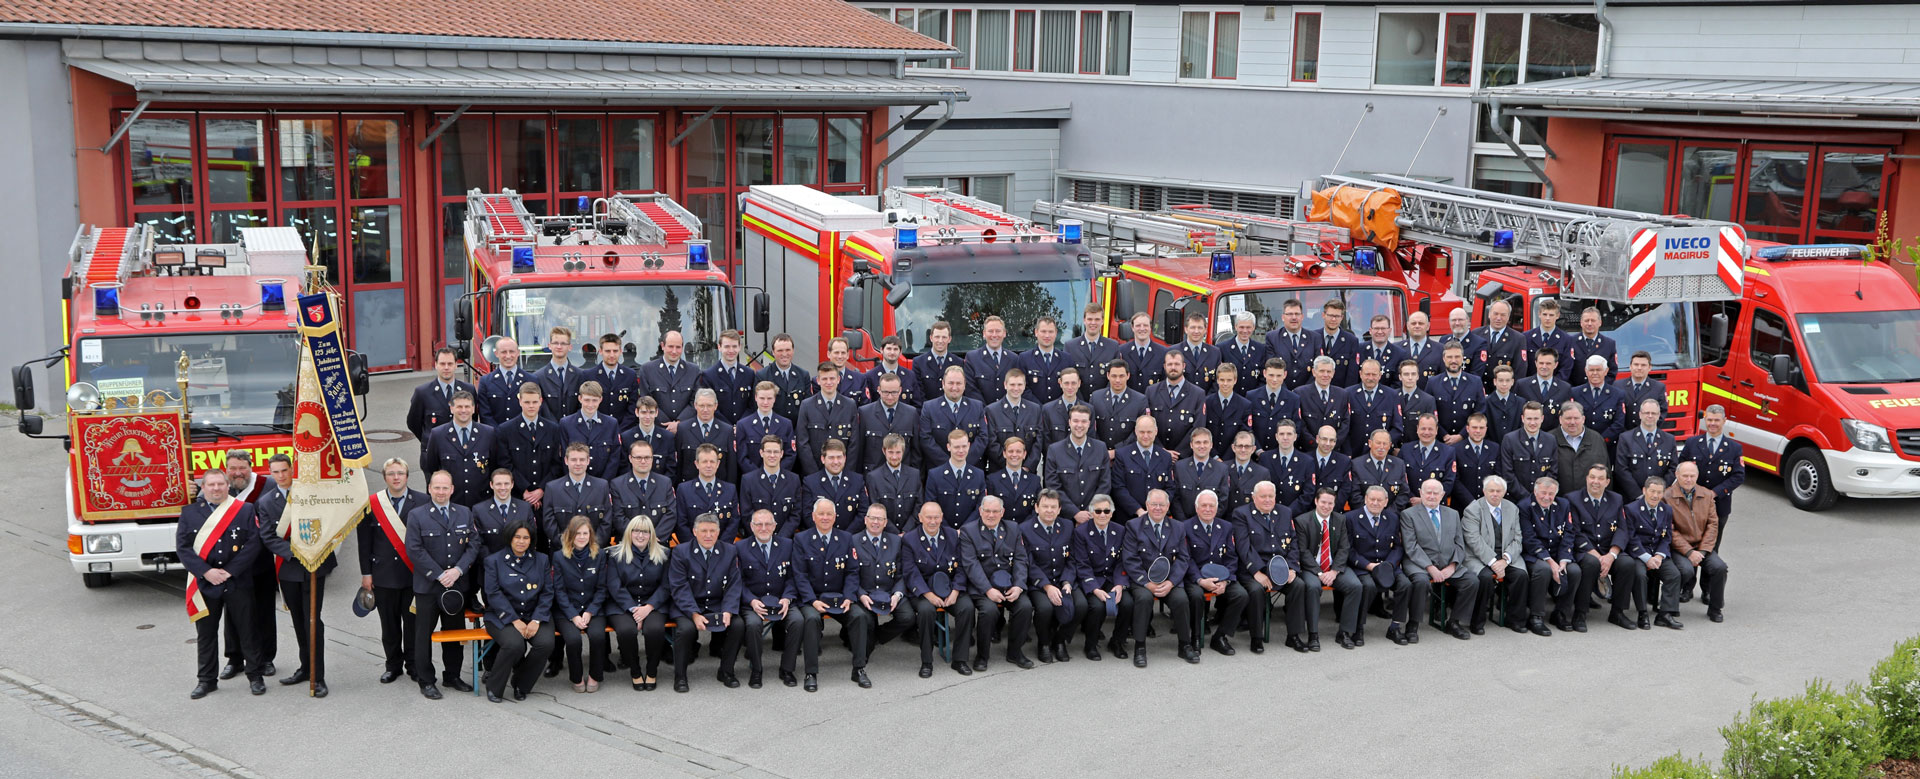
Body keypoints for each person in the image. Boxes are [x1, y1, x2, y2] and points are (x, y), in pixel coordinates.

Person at [179, 468, 263, 699]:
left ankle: (255, 676)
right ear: (203, 488)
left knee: (248, 630)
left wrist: (228, 571)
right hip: (205, 584)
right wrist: (206, 572)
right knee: (206, 634)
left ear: (228, 486)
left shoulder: (244, 510)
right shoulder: (189, 513)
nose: (216, 489)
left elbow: (253, 543)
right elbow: (183, 549)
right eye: (211, 485)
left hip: (237, 580)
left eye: (220, 484)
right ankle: (206, 680)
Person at [256, 454, 333, 696]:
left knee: (313, 620)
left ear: (292, 469)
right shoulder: (266, 501)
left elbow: (327, 522)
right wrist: (295, 552)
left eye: (285, 470)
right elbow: (268, 536)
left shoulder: (310, 492)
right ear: (271, 473)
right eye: (276, 472)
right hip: (289, 567)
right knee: (299, 621)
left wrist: (312, 549)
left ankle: (318, 677)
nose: (281, 475)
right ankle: (305, 667)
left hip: (315, 565)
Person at [406, 471, 481, 700]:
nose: (440, 492)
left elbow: (473, 544)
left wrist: (457, 570)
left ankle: (452, 676)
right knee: (423, 635)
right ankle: (426, 680)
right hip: (429, 586)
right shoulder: (417, 515)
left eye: (445, 488)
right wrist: (439, 575)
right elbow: (414, 549)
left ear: (452, 489)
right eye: (436, 488)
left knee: (454, 633)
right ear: (429, 489)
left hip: (456, 585)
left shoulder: (464, 513)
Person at [793, 498, 871, 691]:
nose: (825, 517)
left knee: (860, 616)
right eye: (821, 514)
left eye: (829, 514)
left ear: (835, 517)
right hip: (813, 598)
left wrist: (849, 597)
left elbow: (852, 572)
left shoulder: (846, 538)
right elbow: (799, 575)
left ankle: (859, 668)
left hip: (840, 597)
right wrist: (812, 600)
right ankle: (811, 672)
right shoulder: (802, 539)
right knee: (811, 620)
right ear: (813, 516)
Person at [359, 458, 422, 686]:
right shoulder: (372, 503)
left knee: (412, 624)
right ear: (384, 477)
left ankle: (414, 665)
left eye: (400, 473)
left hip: (413, 575)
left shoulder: (422, 501)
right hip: (383, 575)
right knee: (389, 625)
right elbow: (364, 542)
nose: (396, 477)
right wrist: (366, 573)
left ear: (407, 476)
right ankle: (393, 666)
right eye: (391, 473)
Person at [216, 451, 277, 682]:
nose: (238, 473)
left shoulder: (267, 484)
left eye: (242, 467)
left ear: (251, 467)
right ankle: (235, 659)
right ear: (226, 469)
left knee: (264, 610)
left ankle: (266, 658)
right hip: (231, 565)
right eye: (233, 468)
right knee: (233, 613)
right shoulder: (220, 488)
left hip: (261, 561)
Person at [669, 514, 745, 692]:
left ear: (718, 532)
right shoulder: (681, 551)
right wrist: (694, 614)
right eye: (704, 531)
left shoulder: (729, 550)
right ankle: (680, 676)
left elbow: (734, 583)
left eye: (712, 531)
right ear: (695, 532)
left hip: (717, 603)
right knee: (686, 629)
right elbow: (679, 587)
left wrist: (728, 610)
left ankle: (726, 671)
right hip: (688, 605)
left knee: (738, 624)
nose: (708, 535)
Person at [479, 521, 554, 703]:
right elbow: (493, 593)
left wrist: (536, 619)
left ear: (531, 540)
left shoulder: (541, 559)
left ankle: (521, 683)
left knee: (545, 643)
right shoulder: (493, 561)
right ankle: (495, 687)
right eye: (517, 537)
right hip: (501, 615)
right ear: (509, 538)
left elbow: (547, 592)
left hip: (534, 614)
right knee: (514, 644)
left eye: (526, 537)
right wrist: (514, 620)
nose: (521, 541)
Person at [959, 496, 1036, 670]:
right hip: (982, 587)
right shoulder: (968, 531)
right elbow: (971, 565)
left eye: (995, 511)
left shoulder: (1013, 528)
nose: (991, 515)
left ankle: (1015, 652)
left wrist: (1018, 585)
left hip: (1009, 585)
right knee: (989, 611)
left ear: (1002, 513)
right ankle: (982, 656)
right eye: (987, 511)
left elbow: (1020, 559)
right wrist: (987, 589)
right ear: (980, 511)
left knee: (1025, 607)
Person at [1399, 479, 1478, 643]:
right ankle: (1413, 624)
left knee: (1472, 581)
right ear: (1420, 493)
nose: (1432, 496)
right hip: (1419, 563)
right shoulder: (1408, 514)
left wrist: (1452, 565)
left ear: (1443, 495)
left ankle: (1454, 622)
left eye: (1436, 493)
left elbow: (1459, 544)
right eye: (1428, 492)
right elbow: (1411, 546)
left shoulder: (1453, 514)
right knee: (1421, 582)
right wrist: (1430, 568)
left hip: (1448, 562)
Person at [1122, 490, 1195, 666]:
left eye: (1162, 505)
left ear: (1168, 506)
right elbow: (1130, 559)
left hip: (1169, 579)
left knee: (1181, 599)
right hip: (1143, 579)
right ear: (1147, 505)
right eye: (1154, 504)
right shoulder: (1133, 526)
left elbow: (1184, 558)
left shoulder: (1178, 527)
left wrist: (1171, 582)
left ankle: (1185, 644)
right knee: (1144, 599)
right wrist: (1147, 583)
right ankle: (1140, 647)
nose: (1157, 508)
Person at [904, 501, 977, 676]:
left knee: (967, 608)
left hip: (950, 588)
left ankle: (960, 660)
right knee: (926, 612)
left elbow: (962, 567)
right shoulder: (910, 539)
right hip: (923, 591)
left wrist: (956, 591)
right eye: (928, 517)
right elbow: (910, 572)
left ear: (942, 517)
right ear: (920, 518)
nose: (932, 521)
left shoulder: (953, 535)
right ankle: (926, 662)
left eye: (936, 517)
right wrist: (928, 595)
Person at [735, 510, 803, 688]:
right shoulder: (740, 547)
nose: (763, 528)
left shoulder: (788, 545)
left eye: (767, 524)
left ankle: (787, 669)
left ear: (774, 526)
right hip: (753, 602)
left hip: (782, 599)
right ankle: (756, 670)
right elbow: (737, 581)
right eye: (758, 524)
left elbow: (794, 576)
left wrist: (787, 598)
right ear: (751, 526)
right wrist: (751, 600)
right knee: (752, 625)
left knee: (797, 620)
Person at [603, 515, 671, 690]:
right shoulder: (615, 554)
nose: (640, 535)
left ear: (651, 534)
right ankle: (635, 671)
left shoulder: (664, 554)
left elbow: (666, 586)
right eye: (636, 531)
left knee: (654, 629)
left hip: (653, 603)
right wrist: (635, 610)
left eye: (645, 532)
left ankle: (651, 671)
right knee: (626, 630)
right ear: (629, 533)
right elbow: (614, 586)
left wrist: (647, 608)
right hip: (622, 604)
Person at [1289, 486, 1360, 650]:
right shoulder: (1302, 521)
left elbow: (1344, 548)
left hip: (1334, 568)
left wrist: (1334, 571)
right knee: (1313, 587)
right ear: (1316, 501)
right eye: (1323, 502)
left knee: (1355, 586)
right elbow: (1303, 551)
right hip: (1312, 568)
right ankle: (1313, 635)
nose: (1326, 506)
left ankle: (1344, 633)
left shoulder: (1340, 520)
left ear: (1334, 504)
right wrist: (1320, 573)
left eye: (1330, 503)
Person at [1567, 464, 1635, 632]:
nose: (1595, 482)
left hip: (1609, 549)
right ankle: (1580, 613)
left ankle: (1617, 612)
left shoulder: (1616, 499)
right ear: (1586, 479)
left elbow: (1622, 528)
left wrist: (1612, 555)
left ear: (1607, 482)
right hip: (1585, 550)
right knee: (1591, 564)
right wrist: (1597, 556)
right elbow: (1575, 531)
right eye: (1592, 477)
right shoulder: (1572, 499)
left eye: (1600, 478)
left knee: (1627, 564)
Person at [1461, 475, 1529, 636]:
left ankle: (1515, 619)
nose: (1495, 494)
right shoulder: (1472, 510)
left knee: (1521, 575)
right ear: (1484, 491)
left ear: (1504, 492)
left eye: (1498, 491)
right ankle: (1476, 621)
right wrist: (1493, 562)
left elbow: (1518, 538)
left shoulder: (1512, 508)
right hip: (1479, 557)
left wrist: (1505, 560)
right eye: (1491, 490)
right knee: (1484, 578)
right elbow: (1473, 541)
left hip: (1506, 557)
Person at [851, 505, 918, 669]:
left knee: (908, 617)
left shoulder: (896, 541)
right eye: (872, 518)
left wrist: (897, 595)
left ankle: (878, 636)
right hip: (865, 593)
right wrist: (860, 594)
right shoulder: (853, 540)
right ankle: (863, 655)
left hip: (889, 591)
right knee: (865, 620)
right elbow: (850, 574)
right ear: (865, 520)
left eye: (880, 519)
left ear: (885, 522)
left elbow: (901, 573)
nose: (875, 522)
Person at [1183, 491, 1248, 656]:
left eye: (1211, 506)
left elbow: (1232, 557)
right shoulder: (1185, 527)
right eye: (1203, 505)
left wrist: (1226, 581)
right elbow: (1186, 559)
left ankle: (1220, 636)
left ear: (1217, 508)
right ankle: (1196, 637)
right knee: (1196, 596)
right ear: (1196, 508)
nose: (1207, 509)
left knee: (1241, 595)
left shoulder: (1226, 527)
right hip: (1195, 578)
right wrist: (1199, 580)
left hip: (1221, 577)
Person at [1023, 492, 1084, 664]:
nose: (1049, 510)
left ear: (1059, 510)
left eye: (1053, 507)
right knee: (1044, 608)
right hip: (1040, 583)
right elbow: (1029, 564)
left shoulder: (1067, 526)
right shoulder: (1025, 529)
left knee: (1081, 605)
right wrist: (1047, 586)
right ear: (1036, 508)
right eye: (1045, 506)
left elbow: (1072, 558)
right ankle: (1043, 643)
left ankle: (1059, 640)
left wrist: (1067, 581)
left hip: (1064, 579)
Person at [1666, 462, 1729, 623]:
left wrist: (1702, 552)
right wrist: (1688, 552)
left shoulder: (1706, 494)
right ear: (1677, 476)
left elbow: (1713, 525)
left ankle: (1715, 608)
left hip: (1702, 547)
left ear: (1697, 476)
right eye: (1685, 476)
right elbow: (1669, 530)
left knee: (1720, 568)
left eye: (1692, 476)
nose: (1688, 479)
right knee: (1685, 570)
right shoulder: (1666, 497)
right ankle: (1670, 608)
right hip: (1680, 549)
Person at [549, 515, 607, 694]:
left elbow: (602, 588)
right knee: (573, 640)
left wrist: (590, 612)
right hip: (567, 610)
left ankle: (595, 675)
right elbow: (559, 590)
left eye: (585, 533)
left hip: (593, 607)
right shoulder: (559, 557)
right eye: (578, 533)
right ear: (570, 535)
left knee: (597, 636)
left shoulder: (599, 554)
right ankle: (576, 677)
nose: (582, 537)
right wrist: (573, 615)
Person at [1517, 477, 1581, 635]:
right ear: (1535, 491)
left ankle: (1560, 613)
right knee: (1543, 570)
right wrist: (1552, 563)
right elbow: (1529, 539)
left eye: (1551, 494)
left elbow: (1569, 533)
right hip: (1534, 554)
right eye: (1543, 493)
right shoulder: (1525, 506)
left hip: (1558, 553)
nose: (1547, 497)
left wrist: (1563, 561)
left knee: (1574, 571)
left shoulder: (1563, 504)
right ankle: (1535, 616)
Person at [1346, 485, 1409, 646]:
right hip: (1362, 566)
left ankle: (1395, 627)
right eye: (1372, 499)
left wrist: (1388, 565)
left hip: (1387, 565)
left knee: (1405, 585)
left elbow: (1397, 546)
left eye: (1379, 500)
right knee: (1368, 586)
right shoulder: (1351, 518)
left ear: (1386, 502)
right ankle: (1358, 629)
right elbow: (1349, 550)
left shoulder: (1392, 518)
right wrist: (1368, 566)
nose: (1375, 503)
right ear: (1365, 499)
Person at [492, 382, 563, 509]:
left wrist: (541, 490)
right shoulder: (506, 430)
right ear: (520, 401)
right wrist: (524, 490)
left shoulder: (553, 429)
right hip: (518, 497)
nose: (531, 406)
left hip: (546, 497)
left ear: (541, 401)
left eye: (535, 402)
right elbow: (505, 464)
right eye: (527, 402)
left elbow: (556, 464)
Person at [1624, 478, 1683, 630]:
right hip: (1638, 553)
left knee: (1674, 574)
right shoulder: (1631, 509)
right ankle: (1642, 612)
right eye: (1652, 491)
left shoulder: (1666, 510)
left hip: (1657, 553)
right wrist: (1646, 558)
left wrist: (1659, 555)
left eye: (1659, 492)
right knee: (1640, 575)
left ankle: (1665, 614)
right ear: (1644, 491)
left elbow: (1667, 536)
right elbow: (1631, 538)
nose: (1655, 496)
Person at [1681, 405, 1745, 544]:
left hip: (1719, 504)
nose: (1712, 424)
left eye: (1717, 420)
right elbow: (1680, 469)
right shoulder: (1692, 443)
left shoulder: (1734, 448)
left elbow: (1738, 476)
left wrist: (1714, 493)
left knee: (1712, 548)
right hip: (1692, 502)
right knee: (1690, 546)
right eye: (1709, 420)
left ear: (1724, 421)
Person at [422, 390, 494, 507]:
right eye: (459, 406)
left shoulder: (488, 433)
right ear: (451, 408)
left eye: (467, 406)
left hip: (481, 502)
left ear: (473, 408)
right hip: (451, 502)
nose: (463, 410)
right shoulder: (438, 434)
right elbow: (432, 468)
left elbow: (494, 466)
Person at [408, 347, 475, 461]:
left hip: (461, 453)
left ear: (456, 365)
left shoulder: (469, 390)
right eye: (442, 364)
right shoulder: (422, 393)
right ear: (436, 365)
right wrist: (429, 439)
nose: (446, 368)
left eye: (450, 363)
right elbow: (413, 423)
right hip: (433, 454)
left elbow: (473, 418)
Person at [1045, 404, 1110, 521]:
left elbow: (1104, 484)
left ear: (1090, 424)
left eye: (1084, 421)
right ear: (1069, 422)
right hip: (1064, 518)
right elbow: (1053, 486)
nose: (1079, 425)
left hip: (1093, 517)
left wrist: (1089, 511)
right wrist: (1075, 513)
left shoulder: (1100, 448)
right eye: (1075, 421)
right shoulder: (1055, 450)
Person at [542, 442, 611, 550]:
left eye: (582, 460)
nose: (578, 463)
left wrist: (593, 546)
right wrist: (567, 545)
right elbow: (549, 523)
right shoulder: (552, 488)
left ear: (588, 461)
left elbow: (606, 522)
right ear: (566, 461)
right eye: (573, 460)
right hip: (563, 553)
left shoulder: (601, 486)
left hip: (593, 553)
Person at [796, 361, 859, 475]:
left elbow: (854, 443)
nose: (828, 382)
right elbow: (802, 442)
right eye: (824, 379)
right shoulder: (807, 405)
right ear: (818, 381)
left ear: (838, 379)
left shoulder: (850, 405)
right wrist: (813, 474)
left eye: (832, 378)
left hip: (842, 471)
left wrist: (846, 472)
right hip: (814, 471)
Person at [919, 365, 988, 468]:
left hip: (971, 469)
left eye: (959, 383)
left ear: (965, 385)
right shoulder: (929, 408)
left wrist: (963, 463)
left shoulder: (977, 407)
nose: (954, 387)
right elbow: (926, 439)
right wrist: (949, 465)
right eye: (950, 383)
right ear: (943, 384)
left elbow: (983, 437)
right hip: (939, 470)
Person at [609, 441, 675, 545]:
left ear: (652, 459)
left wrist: (654, 537)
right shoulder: (617, 484)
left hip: (658, 544)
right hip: (628, 544)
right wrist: (638, 538)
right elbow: (618, 516)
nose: (643, 461)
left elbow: (671, 514)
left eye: (647, 457)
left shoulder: (665, 483)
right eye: (638, 458)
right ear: (630, 459)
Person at [740, 436, 806, 536]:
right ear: (761, 453)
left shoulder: (793, 480)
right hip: (758, 540)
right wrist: (764, 537)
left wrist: (781, 538)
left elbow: (795, 514)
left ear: (781, 454)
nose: (772, 455)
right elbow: (747, 515)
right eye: (768, 451)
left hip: (785, 541)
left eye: (776, 452)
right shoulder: (748, 480)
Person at [1112, 414, 1173, 519]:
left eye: (1149, 432)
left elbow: (1170, 488)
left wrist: (1157, 509)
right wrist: (1138, 510)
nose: (1145, 436)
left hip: (1157, 518)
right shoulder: (1123, 455)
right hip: (1129, 517)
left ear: (1156, 431)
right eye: (1142, 432)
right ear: (1135, 432)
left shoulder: (1165, 457)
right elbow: (1118, 488)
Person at [559, 381, 624, 480]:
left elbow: (614, 458)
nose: (590, 404)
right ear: (580, 398)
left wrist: (603, 484)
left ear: (600, 399)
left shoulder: (611, 424)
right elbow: (564, 457)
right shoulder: (566, 424)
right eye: (587, 400)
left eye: (594, 400)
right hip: (575, 482)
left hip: (603, 483)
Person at [1615, 399, 1679, 499]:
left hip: (1659, 498)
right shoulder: (1625, 438)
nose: (1650, 416)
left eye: (1653, 413)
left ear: (1659, 415)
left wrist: (1658, 492)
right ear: (1640, 414)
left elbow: (1673, 468)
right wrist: (1638, 494)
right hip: (1632, 498)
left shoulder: (1669, 440)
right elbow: (1621, 469)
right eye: (1646, 413)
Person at [675, 445, 738, 545]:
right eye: (704, 461)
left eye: (712, 461)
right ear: (696, 464)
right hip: (692, 551)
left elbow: (733, 523)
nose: (709, 465)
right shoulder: (684, 490)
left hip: (722, 550)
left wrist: (720, 547)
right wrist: (695, 548)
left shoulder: (730, 489)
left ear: (718, 464)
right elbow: (681, 524)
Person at [857, 373, 920, 472]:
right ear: (878, 390)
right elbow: (859, 450)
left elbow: (916, 451)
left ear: (900, 390)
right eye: (886, 392)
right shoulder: (865, 413)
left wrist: (914, 479)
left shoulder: (911, 413)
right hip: (872, 477)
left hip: (902, 478)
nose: (890, 397)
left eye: (894, 392)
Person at [984, 370, 1046, 472]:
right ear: (1005, 385)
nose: (1016, 388)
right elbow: (992, 443)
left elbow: (1038, 442)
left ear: (1025, 385)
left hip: (1027, 472)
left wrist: (1027, 467)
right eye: (1012, 384)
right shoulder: (991, 410)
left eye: (1019, 384)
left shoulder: (1035, 409)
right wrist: (1010, 467)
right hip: (1000, 472)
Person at [802, 440, 868, 532]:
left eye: (839, 457)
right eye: (831, 458)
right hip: (821, 540)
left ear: (844, 458)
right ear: (823, 459)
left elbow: (863, 512)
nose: (836, 462)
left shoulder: (857, 480)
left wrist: (846, 537)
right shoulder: (810, 482)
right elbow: (808, 515)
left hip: (850, 539)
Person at [925, 429, 987, 527]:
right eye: (957, 447)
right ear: (948, 447)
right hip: (943, 531)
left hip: (970, 532)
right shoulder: (935, 475)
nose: (961, 451)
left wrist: (965, 529)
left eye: (964, 446)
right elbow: (931, 506)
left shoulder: (978, 475)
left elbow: (980, 507)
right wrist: (949, 531)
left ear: (969, 446)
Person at [638, 331, 700, 428]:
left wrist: (679, 423)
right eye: (670, 346)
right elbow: (646, 400)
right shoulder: (647, 370)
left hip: (686, 429)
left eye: (678, 347)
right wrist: (666, 424)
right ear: (662, 346)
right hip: (657, 428)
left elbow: (695, 401)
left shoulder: (694, 370)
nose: (674, 351)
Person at [1427, 342, 1486, 443]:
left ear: (1463, 358)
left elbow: (1479, 412)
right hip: (1441, 441)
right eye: (1449, 357)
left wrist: (1461, 435)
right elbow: (1429, 413)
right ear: (1443, 358)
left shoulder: (1475, 382)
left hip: (1467, 440)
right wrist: (1443, 435)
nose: (1453, 361)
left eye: (1457, 357)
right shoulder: (1433, 382)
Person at [865, 434, 924, 533]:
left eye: (898, 452)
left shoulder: (914, 474)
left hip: (910, 533)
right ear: (884, 451)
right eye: (890, 452)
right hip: (885, 533)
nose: (894, 457)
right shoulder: (874, 477)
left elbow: (919, 506)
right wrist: (895, 534)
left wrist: (906, 531)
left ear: (903, 452)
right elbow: (875, 508)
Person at [674, 391, 735, 483]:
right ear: (695, 405)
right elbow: (679, 464)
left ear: (716, 406)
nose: (705, 410)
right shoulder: (683, 429)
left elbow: (731, 467)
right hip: (689, 489)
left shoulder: (727, 430)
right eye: (702, 405)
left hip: (719, 490)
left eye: (709, 406)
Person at [579, 332, 639, 425]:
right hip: (597, 430)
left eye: (615, 351)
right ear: (600, 351)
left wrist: (620, 431)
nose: (612, 355)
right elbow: (585, 407)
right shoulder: (588, 376)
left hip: (623, 431)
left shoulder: (630, 375)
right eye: (607, 351)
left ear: (620, 352)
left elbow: (633, 407)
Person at [1171, 428, 1229, 522]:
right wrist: (1184, 523)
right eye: (1198, 442)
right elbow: (1175, 499)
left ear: (1211, 445)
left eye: (1205, 442)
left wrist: (1207, 522)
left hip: (1210, 525)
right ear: (1191, 445)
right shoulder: (1179, 467)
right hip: (1183, 525)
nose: (1202, 446)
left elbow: (1222, 501)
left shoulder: (1221, 469)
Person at [699, 329, 756, 424]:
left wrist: (741, 425)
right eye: (727, 347)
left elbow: (752, 405)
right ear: (719, 347)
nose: (731, 350)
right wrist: (728, 428)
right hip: (720, 429)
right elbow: (709, 407)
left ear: (739, 347)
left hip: (744, 429)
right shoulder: (709, 375)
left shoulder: (749, 374)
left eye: (734, 346)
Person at [1500, 403, 1556, 497]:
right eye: (1529, 419)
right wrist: (1527, 497)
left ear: (1542, 418)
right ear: (1522, 418)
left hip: (1543, 499)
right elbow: (1508, 474)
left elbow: (1553, 471)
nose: (1532, 423)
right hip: (1517, 499)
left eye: (1536, 419)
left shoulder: (1550, 440)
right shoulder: (1510, 439)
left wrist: (1540, 494)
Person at [1090, 360, 1149, 450]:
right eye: (1114, 376)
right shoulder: (1096, 397)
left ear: (1128, 376)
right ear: (1108, 375)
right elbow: (1090, 427)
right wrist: (1101, 449)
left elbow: (1138, 432)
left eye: (1121, 376)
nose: (1118, 380)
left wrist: (1117, 451)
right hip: (1100, 453)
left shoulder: (1140, 400)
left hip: (1127, 454)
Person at [757, 335, 814, 426]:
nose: (784, 354)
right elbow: (756, 406)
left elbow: (808, 407)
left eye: (788, 350)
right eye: (780, 350)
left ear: (793, 351)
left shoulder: (803, 375)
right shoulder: (763, 375)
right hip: (773, 429)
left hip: (797, 428)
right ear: (773, 352)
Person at [1264, 299, 1322, 389]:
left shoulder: (1315, 338)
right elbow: (1272, 368)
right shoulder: (1272, 338)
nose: (1294, 317)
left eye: (1297, 314)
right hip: (1282, 393)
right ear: (1283, 317)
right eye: (1290, 314)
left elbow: (1318, 369)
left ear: (1302, 316)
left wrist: (1304, 392)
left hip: (1308, 394)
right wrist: (1286, 394)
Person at [1571, 356, 1628, 448]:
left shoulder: (1617, 394)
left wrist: (1601, 440)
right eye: (1591, 370)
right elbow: (1572, 419)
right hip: (1582, 444)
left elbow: (1619, 423)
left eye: (1598, 370)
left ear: (1606, 371)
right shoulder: (1575, 393)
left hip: (1607, 445)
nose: (1595, 373)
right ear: (1586, 371)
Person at [1348, 429, 1410, 512]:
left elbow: (1404, 493)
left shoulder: (1399, 464)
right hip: (1364, 517)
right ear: (1370, 443)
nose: (1381, 447)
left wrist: (1388, 514)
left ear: (1390, 445)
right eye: (1378, 443)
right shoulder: (1357, 464)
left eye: (1385, 444)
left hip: (1391, 518)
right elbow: (1354, 495)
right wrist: (1370, 513)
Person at [1248, 358, 1302, 451]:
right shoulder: (1251, 396)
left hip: (1281, 454)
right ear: (1264, 373)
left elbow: (1296, 428)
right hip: (1256, 454)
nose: (1274, 379)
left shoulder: (1293, 399)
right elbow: (1248, 427)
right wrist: (1258, 450)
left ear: (1285, 375)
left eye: (1278, 375)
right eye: (1271, 375)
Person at [1554, 402, 1608, 491]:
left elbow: (1605, 471)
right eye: (1568, 418)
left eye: (1576, 418)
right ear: (1560, 419)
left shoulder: (1596, 439)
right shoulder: (1550, 439)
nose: (1572, 422)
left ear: (1583, 419)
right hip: (1558, 499)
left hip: (1588, 499)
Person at [1402, 413, 1457, 502]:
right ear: (1417, 429)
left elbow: (1448, 483)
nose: (1426, 432)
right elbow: (1401, 478)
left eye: (1430, 429)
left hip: (1435, 505)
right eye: (1423, 428)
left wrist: (1425, 500)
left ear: (1436, 430)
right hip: (1409, 505)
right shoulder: (1405, 449)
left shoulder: (1448, 452)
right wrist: (1411, 499)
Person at [1298, 357, 1350, 450]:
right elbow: (1300, 424)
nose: (1325, 375)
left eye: (1329, 371)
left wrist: (1331, 444)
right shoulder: (1300, 394)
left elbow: (1345, 424)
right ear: (1314, 372)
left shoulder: (1342, 395)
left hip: (1334, 450)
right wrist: (1315, 444)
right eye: (1322, 371)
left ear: (1333, 373)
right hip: (1308, 450)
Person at [475, 337, 528, 425]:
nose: (508, 356)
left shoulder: (530, 380)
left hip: (522, 436)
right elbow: (485, 415)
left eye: (512, 351)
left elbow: (533, 412)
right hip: (494, 436)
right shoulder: (486, 381)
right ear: (496, 353)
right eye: (503, 352)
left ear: (518, 353)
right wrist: (499, 434)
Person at [1453, 414, 1502, 509]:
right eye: (1474, 427)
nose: (1478, 431)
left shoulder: (1494, 448)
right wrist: (1471, 502)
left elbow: (1498, 476)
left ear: (1486, 429)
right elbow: (1455, 481)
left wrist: (1487, 501)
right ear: (1467, 428)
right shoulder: (1455, 449)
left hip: (1488, 505)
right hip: (1463, 506)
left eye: (1481, 428)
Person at [987, 436, 1041, 523]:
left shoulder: (1034, 481)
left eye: (1018, 451)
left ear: (1024, 454)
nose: (1014, 455)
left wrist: (1025, 527)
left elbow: (1038, 508)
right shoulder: (993, 480)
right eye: (1010, 451)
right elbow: (990, 510)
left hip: (1027, 530)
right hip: (1001, 530)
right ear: (1004, 453)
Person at [1020, 316, 1073, 404]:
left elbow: (1071, 387)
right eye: (1043, 331)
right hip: (1034, 412)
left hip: (1058, 411)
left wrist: (1054, 409)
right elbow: (1022, 388)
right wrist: (1039, 408)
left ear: (1056, 333)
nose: (1047, 335)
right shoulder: (1024, 358)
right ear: (1036, 332)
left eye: (1051, 332)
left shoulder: (1067, 359)